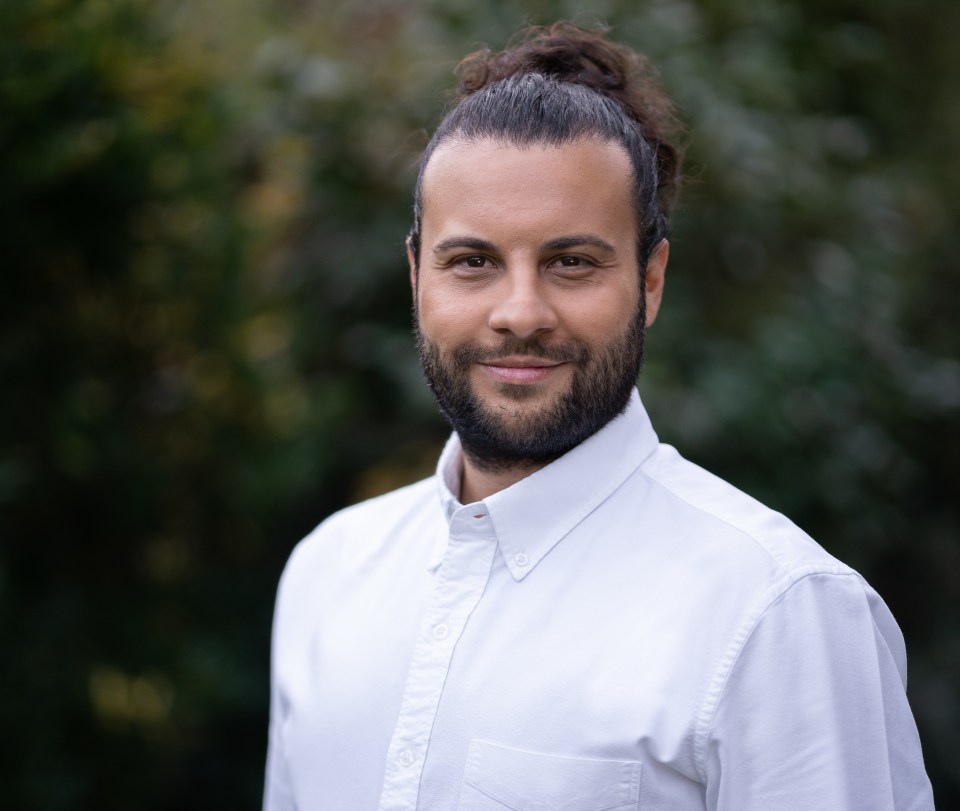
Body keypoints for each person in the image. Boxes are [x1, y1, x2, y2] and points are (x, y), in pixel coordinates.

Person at [263, 22, 934, 810]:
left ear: (650, 281)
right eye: (472, 261)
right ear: (417, 275)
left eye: (571, 262)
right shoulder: (327, 572)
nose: (519, 312)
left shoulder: (779, 612)